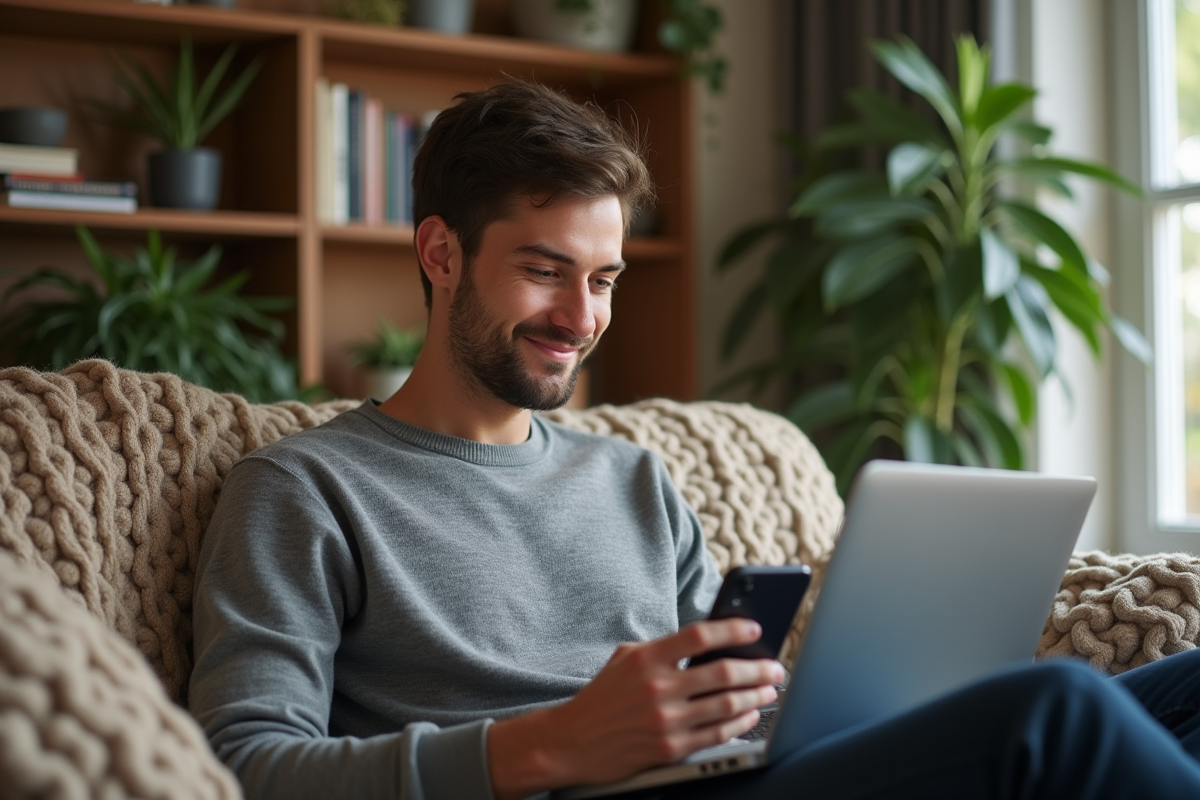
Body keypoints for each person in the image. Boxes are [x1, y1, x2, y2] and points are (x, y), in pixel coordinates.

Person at [188, 79, 1200, 800]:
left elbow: (718, 707)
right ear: (441, 251)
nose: (580, 315)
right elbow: (241, 764)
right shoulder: (303, 488)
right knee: (1056, 709)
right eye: (545, 269)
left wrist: (774, 712)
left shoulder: (633, 478)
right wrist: (543, 746)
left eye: (605, 279)